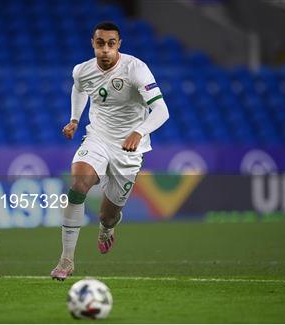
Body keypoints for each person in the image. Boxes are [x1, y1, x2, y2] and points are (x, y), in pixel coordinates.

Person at [51, 21, 170, 280]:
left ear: (118, 45)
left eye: (111, 44)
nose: (105, 49)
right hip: (98, 138)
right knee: (79, 183)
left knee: (108, 214)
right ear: (93, 44)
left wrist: (139, 132)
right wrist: (74, 119)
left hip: (129, 149)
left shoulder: (136, 69)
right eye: (100, 43)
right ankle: (66, 259)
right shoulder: (82, 70)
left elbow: (162, 110)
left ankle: (107, 228)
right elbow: (80, 88)